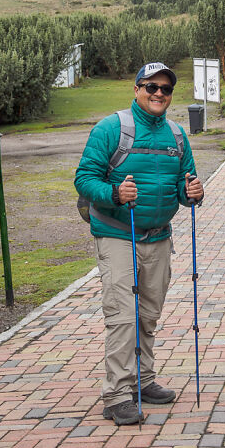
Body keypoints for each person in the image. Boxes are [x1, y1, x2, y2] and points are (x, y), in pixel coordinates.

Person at [74, 61, 204, 425]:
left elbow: (184, 185)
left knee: (147, 314)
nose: (159, 94)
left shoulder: (177, 135)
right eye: (151, 87)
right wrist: (114, 193)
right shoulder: (111, 129)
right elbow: (84, 179)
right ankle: (117, 394)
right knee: (123, 316)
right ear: (136, 90)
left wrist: (193, 192)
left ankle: (143, 380)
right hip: (117, 234)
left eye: (165, 89)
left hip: (159, 237)